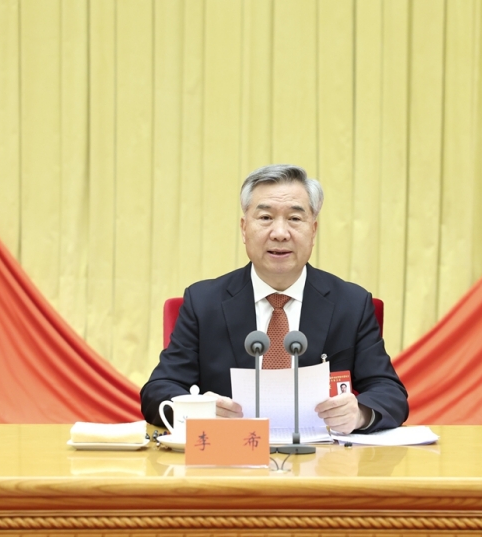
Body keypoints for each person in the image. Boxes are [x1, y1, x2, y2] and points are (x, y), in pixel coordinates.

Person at [140, 164, 408, 434]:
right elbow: (158, 390)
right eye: (266, 217)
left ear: (313, 230)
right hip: (229, 454)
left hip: (322, 457)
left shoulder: (351, 304)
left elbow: (389, 392)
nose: (280, 233)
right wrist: (198, 411)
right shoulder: (203, 303)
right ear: (244, 228)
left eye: (294, 218)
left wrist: (360, 414)